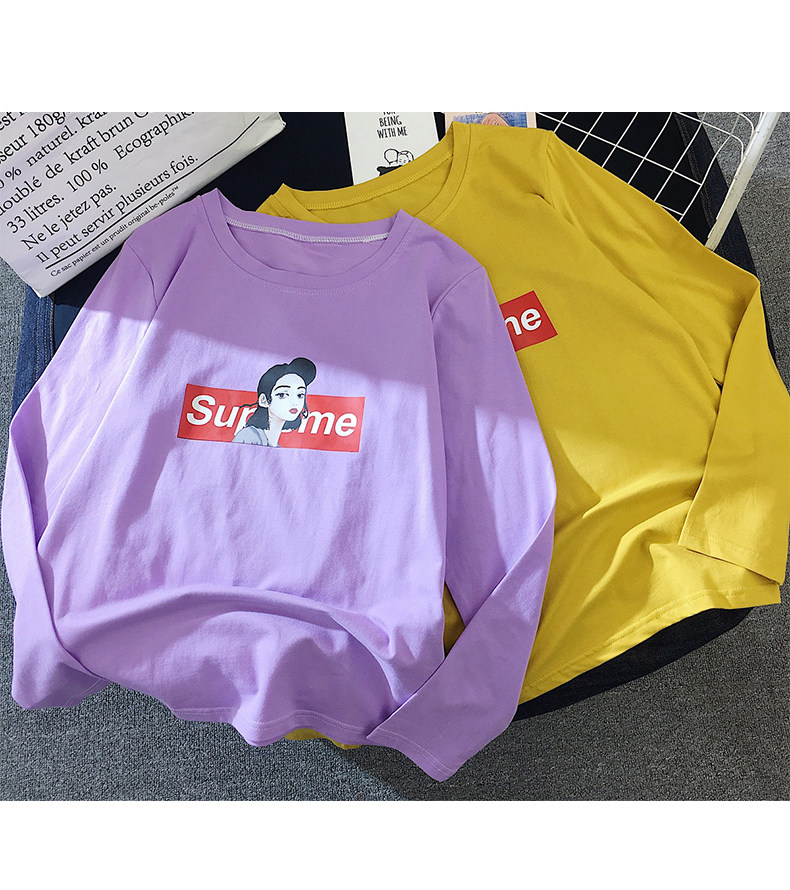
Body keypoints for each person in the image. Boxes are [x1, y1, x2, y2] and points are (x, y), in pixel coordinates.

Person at [233, 357, 317, 447]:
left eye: (300, 395)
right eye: (282, 395)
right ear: (264, 400)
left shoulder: (274, 444)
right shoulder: (249, 437)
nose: (294, 402)